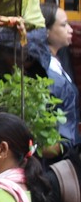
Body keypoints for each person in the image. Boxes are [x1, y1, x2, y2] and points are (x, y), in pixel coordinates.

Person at [29, 10, 79, 150]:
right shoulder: (42, 70)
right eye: (63, 25)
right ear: (45, 31)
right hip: (55, 148)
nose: (70, 29)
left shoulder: (60, 59)